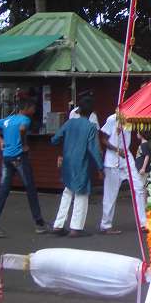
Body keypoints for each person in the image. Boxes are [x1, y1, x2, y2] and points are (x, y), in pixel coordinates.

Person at [0, 98, 48, 238]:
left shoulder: (8, 120)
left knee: (3, 190)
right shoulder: (25, 120)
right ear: (26, 108)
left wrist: (1, 141)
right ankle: (39, 223)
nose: (34, 110)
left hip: (7, 158)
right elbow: (22, 129)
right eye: (33, 107)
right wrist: (23, 142)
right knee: (30, 189)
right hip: (20, 158)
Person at [51, 95, 104, 237]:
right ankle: (76, 227)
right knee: (81, 194)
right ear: (91, 112)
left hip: (67, 162)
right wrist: (100, 167)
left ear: (78, 110)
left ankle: (58, 224)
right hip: (81, 163)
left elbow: (55, 139)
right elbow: (93, 149)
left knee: (67, 191)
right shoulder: (91, 127)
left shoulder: (69, 123)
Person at [99, 113, 146, 234]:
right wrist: (116, 149)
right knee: (111, 193)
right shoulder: (111, 119)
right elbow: (103, 139)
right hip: (112, 158)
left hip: (126, 156)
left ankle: (143, 223)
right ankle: (106, 225)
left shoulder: (130, 119)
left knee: (139, 187)